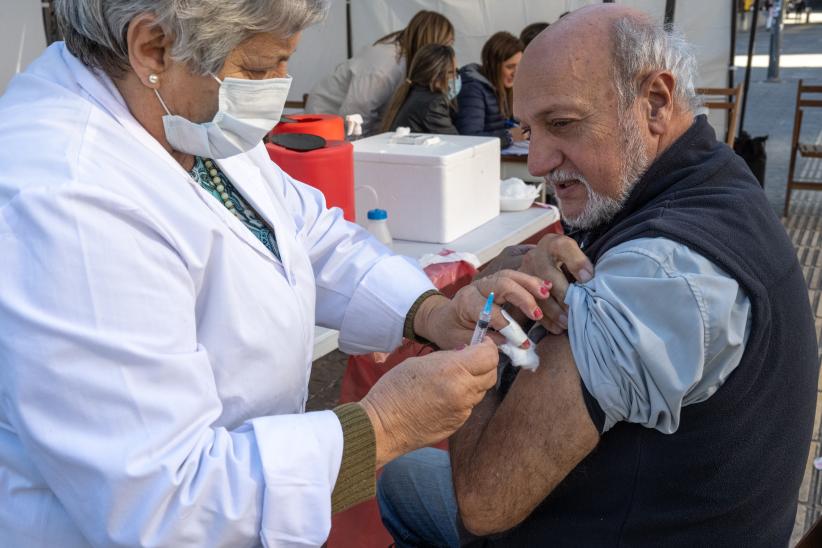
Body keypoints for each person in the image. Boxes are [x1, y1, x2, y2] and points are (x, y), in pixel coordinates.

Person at [0, 1, 552, 545]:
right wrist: (383, 428)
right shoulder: (69, 199)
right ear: (153, 46)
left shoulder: (183, 116)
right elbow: (163, 500)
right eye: (260, 68)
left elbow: (305, 234)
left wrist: (429, 313)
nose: (280, 85)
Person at [377, 5, 817, 547]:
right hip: (679, 510)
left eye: (561, 124)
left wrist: (483, 324)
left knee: (401, 476)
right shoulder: (708, 180)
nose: (536, 160)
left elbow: (486, 500)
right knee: (407, 476)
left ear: (654, 102)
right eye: (526, 128)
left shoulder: (659, 273)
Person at [305, 10, 454, 135]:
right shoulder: (386, 63)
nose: (447, 53)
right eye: (446, 44)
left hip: (345, 122)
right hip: (326, 117)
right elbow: (355, 113)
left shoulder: (403, 59)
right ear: (431, 41)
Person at [455, 32, 525, 149]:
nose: (516, 73)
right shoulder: (472, 90)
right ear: (493, 65)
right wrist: (509, 136)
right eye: (510, 67)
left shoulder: (503, 86)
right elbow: (469, 137)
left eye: (519, 66)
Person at [381, 44, 459, 134]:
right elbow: (454, 142)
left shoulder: (411, 91)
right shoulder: (434, 103)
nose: (455, 77)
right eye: (451, 72)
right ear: (436, 74)